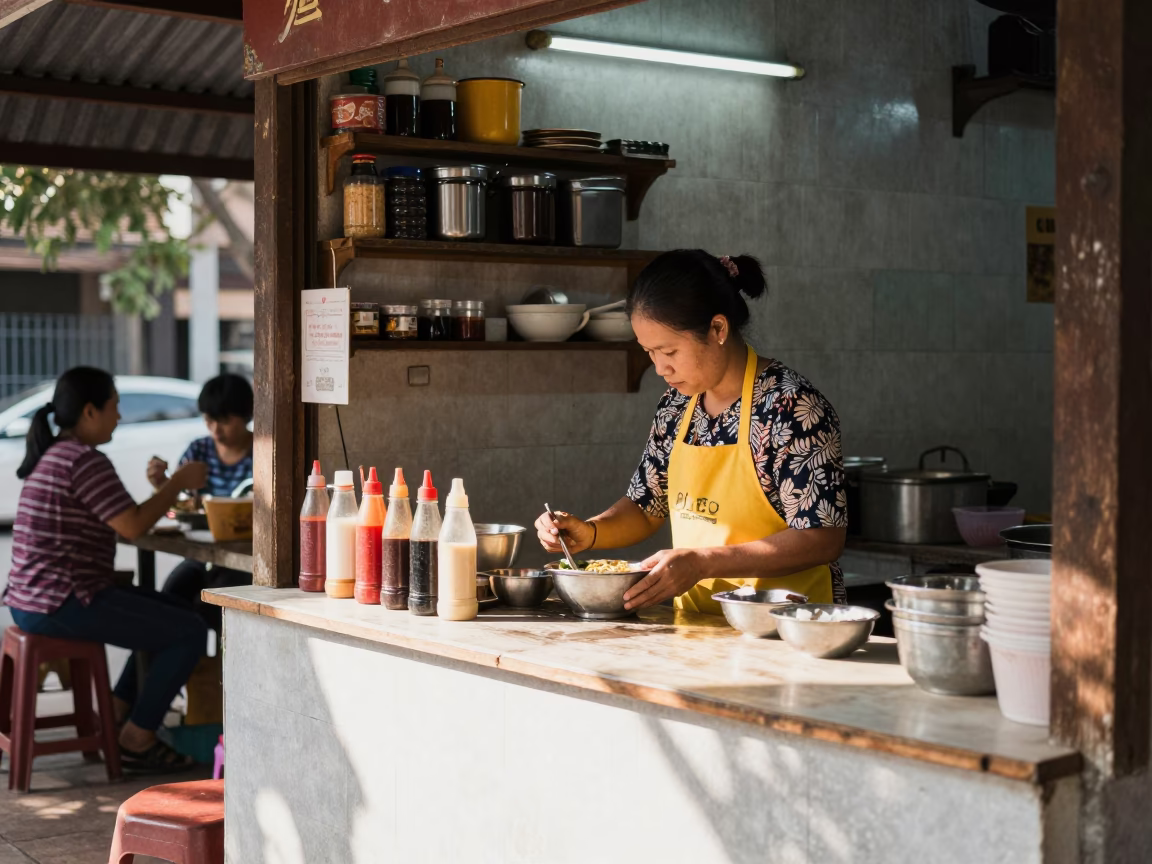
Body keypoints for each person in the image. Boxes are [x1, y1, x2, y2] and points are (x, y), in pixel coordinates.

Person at [535, 250, 848, 615]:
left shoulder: (790, 407)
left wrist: (703, 562)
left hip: (789, 626)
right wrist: (590, 532)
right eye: (650, 352)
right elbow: (646, 506)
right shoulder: (677, 405)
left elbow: (822, 538)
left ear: (718, 329)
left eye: (669, 351)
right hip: (699, 627)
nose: (660, 368)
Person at [6, 366, 209, 771]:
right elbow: (131, 525)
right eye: (114, 407)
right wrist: (177, 483)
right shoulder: (84, 460)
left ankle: (117, 711)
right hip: (60, 601)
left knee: (172, 611)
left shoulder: (56, 454)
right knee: (189, 631)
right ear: (89, 412)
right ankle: (138, 737)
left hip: (34, 599)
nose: (119, 416)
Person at [146, 374, 254, 632]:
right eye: (209, 420)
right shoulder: (199, 451)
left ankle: (214, 657)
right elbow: (180, 505)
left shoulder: (263, 451)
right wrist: (163, 485)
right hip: (201, 554)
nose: (216, 430)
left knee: (213, 608)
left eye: (224, 421)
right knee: (171, 596)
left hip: (244, 559)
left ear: (247, 415)